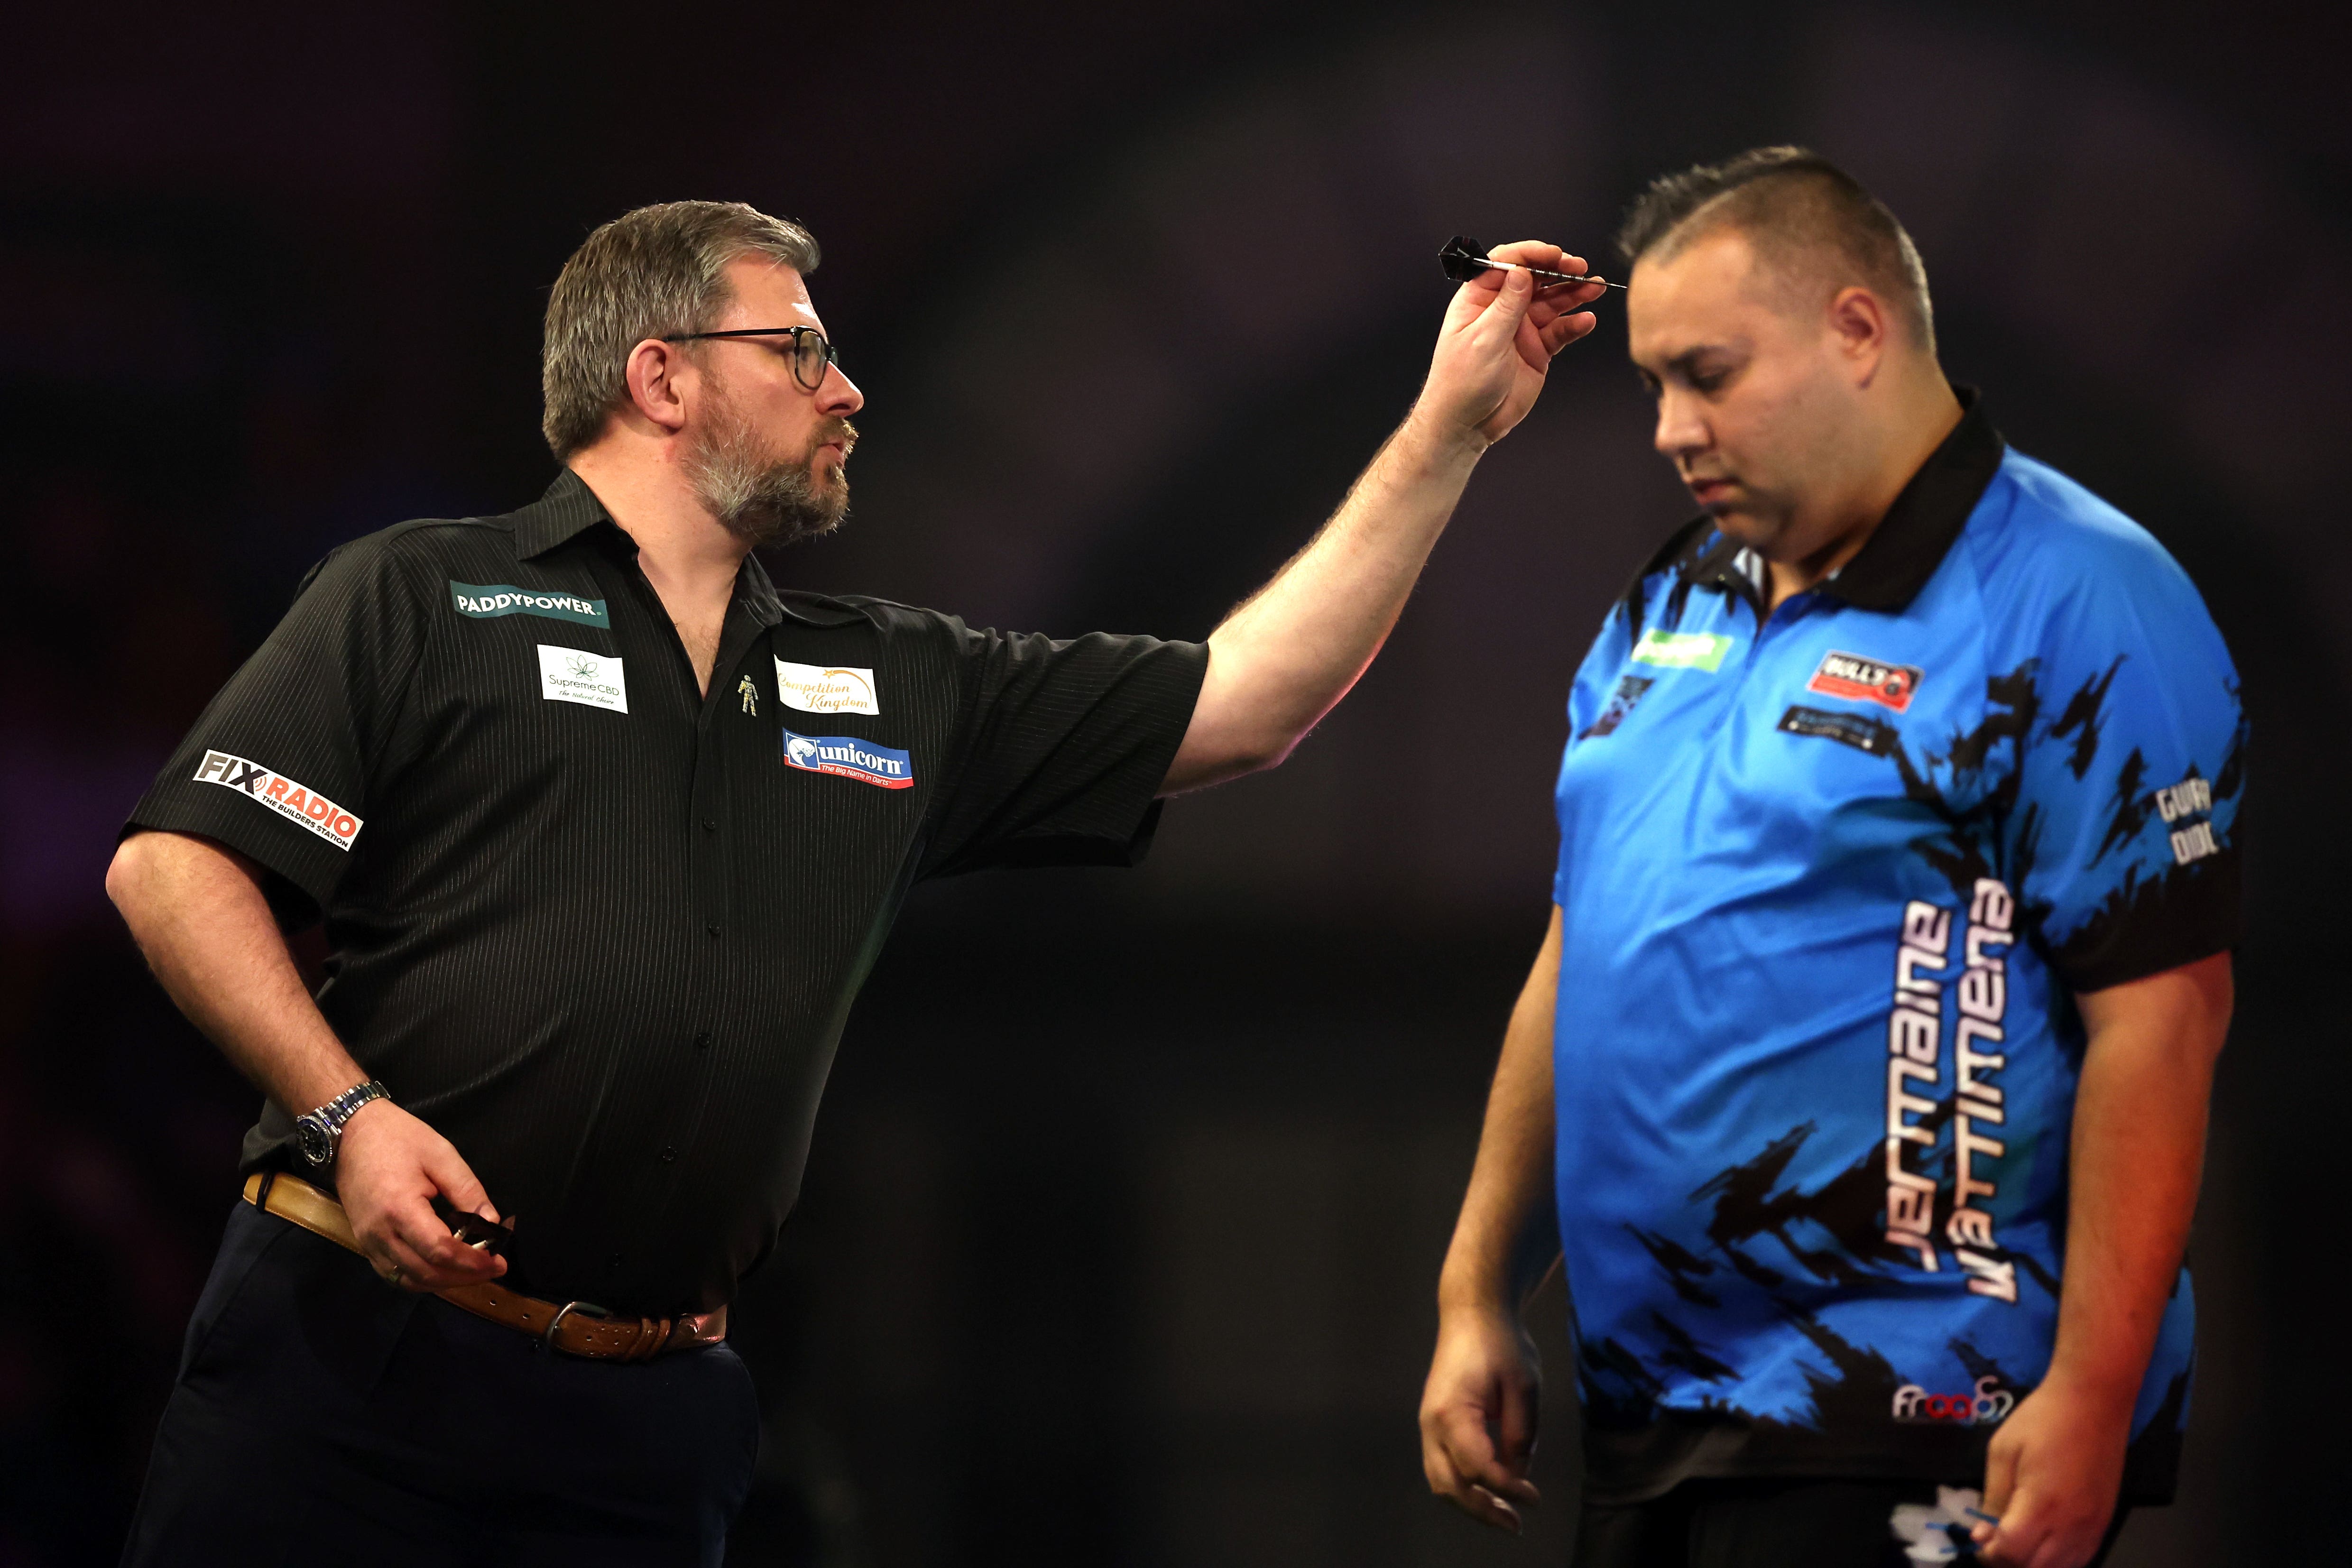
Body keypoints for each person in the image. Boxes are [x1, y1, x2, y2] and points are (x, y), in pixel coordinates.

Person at [104, 200, 1607, 1564]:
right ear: (661, 376)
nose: (848, 389)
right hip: (354, 1368)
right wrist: (348, 1116)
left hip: (648, 1420)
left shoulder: (891, 676)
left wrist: (1451, 428)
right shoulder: (423, 592)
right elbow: (174, 865)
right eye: (801, 349)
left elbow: (1250, 703)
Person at [1418, 148, 2241, 1568]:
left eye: (1711, 372)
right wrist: (1477, 1289)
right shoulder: (1670, 598)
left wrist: (2096, 1395)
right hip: (1652, 1424)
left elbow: (2164, 1017)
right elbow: (1587, 944)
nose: (1673, 427)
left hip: (1919, 1425)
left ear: (1858, 332)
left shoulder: (2080, 596)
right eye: (1654, 384)